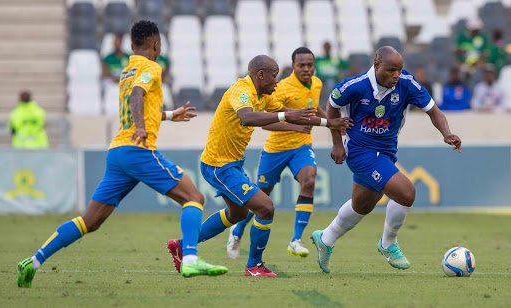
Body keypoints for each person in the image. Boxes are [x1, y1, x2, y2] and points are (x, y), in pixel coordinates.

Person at [16, 20, 228, 288]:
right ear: (156, 44)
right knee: (194, 197)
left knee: (90, 221)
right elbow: (137, 97)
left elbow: (137, 102)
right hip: (137, 149)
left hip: (117, 152)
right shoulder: (152, 67)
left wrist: (169, 115)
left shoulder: (127, 70)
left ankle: (33, 261)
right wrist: (141, 127)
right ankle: (190, 259)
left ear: (131, 46)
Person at [167, 55, 353, 277]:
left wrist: (329, 123)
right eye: (274, 76)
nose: (277, 81)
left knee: (237, 214)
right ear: (261, 75)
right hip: (219, 165)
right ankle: (254, 265)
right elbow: (247, 117)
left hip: (231, 164)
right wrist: (286, 114)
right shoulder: (242, 90)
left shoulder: (263, 95)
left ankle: (181, 245)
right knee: (265, 208)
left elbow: (293, 116)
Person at [311, 46, 462, 274]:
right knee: (406, 192)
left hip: (387, 152)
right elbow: (331, 106)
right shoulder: (355, 85)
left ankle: (326, 238)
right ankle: (388, 243)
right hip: (360, 152)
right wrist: (336, 143)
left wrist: (446, 133)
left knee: (362, 205)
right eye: (391, 70)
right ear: (376, 66)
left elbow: (434, 111)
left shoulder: (407, 84)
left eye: (400, 70)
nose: (396, 75)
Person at [226, 47, 327, 260]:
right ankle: (237, 230)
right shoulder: (280, 88)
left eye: (310, 65)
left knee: (309, 181)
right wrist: (294, 127)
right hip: (276, 150)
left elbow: (314, 109)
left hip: (301, 146)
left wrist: (330, 123)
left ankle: (296, 240)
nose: (307, 69)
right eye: (302, 65)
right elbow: (266, 124)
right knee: (260, 198)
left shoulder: (317, 84)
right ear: (293, 66)